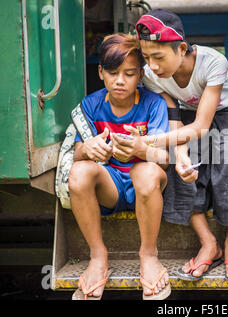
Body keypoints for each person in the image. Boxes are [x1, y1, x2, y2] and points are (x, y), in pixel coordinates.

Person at [135, 9, 228, 283]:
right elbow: (173, 113)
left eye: (159, 57)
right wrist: (180, 152)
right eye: (147, 57)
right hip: (186, 118)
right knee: (179, 166)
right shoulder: (152, 75)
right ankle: (208, 242)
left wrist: (150, 140)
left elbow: (202, 126)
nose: (152, 66)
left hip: (226, 113)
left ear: (182, 48)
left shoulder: (213, 61)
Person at [68, 33, 171, 300]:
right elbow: (76, 151)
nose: (120, 81)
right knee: (78, 172)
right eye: (113, 73)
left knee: (145, 170)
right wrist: (86, 149)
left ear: (141, 74)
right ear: (100, 72)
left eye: (129, 73)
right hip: (110, 183)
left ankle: (148, 255)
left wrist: (142, 150)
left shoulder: (154, 104)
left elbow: (165, 158)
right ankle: (98, 256)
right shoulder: (90, 105)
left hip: (146, 187)